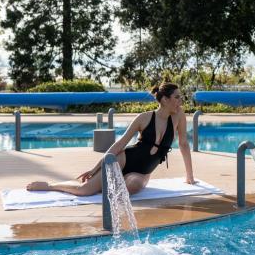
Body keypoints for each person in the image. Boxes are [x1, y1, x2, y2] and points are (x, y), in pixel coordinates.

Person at [27, 82, 195, 196]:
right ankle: (51, 185)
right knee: (85, 190)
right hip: (125, 158)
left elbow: (184, 144)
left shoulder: (178, 116)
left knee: (133, 185)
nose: (181, 101)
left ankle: (104, 183)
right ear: (165, 99)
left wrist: (190, 177)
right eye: (177, 97)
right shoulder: (143, 118)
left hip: (142, 171)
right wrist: (94, 169)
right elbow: (120, 144)